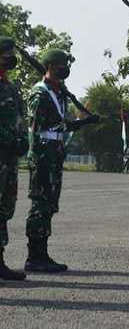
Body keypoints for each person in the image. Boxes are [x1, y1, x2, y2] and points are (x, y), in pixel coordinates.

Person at [25, 49, 100, 274]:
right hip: (43, 154)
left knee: (49, 204)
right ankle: (34, 256)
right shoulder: (39, 94)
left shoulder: (58, 93)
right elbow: (37, 128)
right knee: (40, 203)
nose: (64, 68)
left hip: (55, 152)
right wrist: (77, 124)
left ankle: (42, 253)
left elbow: (59, 124)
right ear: (50, 66)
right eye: (60, 64)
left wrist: (78, 123)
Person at [0, 37, 29, 281]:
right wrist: (9, 140)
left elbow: (19, 117)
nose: (10, 57)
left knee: (4, 208)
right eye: (6, 53)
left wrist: (23, 138)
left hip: (8, 160)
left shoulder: (10, 86)